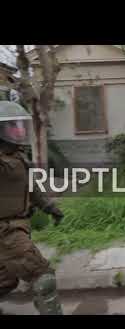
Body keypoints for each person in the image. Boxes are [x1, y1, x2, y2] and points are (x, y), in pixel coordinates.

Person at [0, 100, 64, 315]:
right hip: (6, 233)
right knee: (43, 277)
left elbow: (31, 189)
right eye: (12, 126)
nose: (18, 131)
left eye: (19, 125)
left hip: (16, 228)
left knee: (6, 281)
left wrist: (50, 207)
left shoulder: (17, 156)